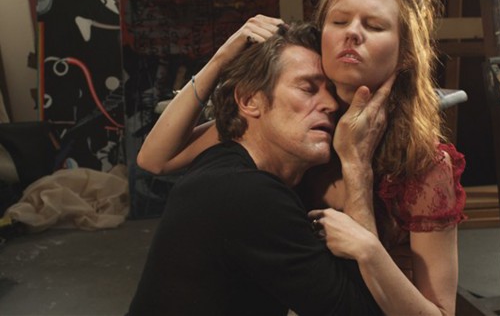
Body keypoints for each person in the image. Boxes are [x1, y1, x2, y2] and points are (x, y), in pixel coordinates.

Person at [137, 0, 466, 315]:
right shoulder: (298, 125)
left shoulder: (423, 165)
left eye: (374, 26)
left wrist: (358, 175)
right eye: (338, 21)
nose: (352, 33)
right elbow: (156, 158)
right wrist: (221, 58)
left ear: (404, 55)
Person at [129, 22, 421, 315]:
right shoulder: (247, 194)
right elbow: (363, 313)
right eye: (307, 88)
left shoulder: (229, 160)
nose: (331, 104)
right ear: (249, 101)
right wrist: (356, 164)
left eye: (332, 91)